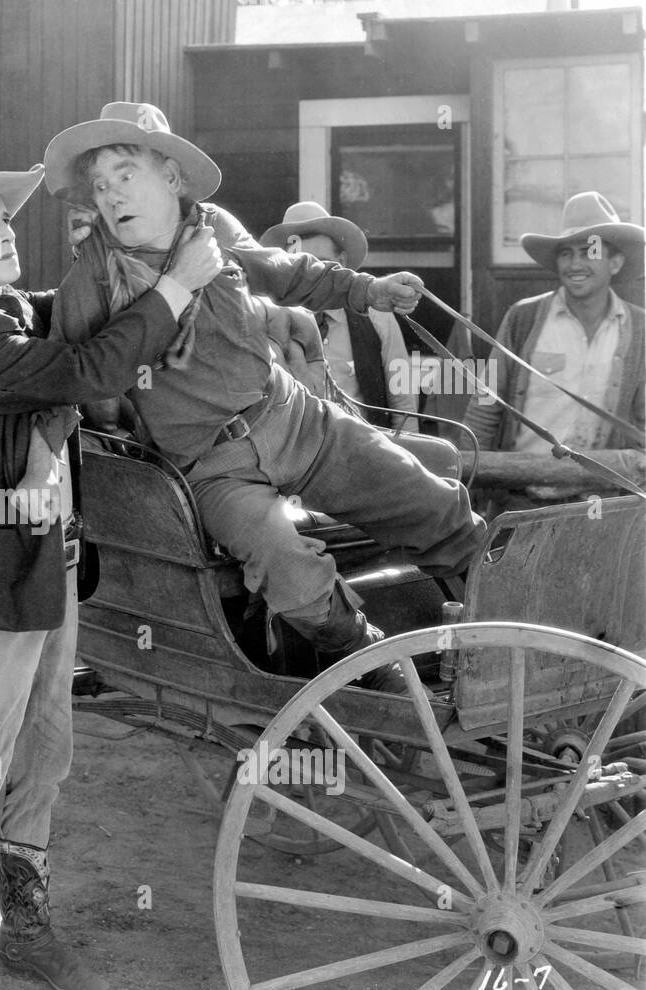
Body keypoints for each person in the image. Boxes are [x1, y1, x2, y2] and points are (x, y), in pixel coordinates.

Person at [0, 139, 222, 990]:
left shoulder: (16, 314)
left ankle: (25, 924)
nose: (4, 233)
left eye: (4, 218)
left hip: (51, 562)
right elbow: (92, 366)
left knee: (49, 753)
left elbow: (82, 328)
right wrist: (178, 286)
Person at [44, 103, 486, 687]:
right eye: (99, 186)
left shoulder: (215, 241)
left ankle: (505, 626)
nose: (110, 196)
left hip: (295, 420)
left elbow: (290, 271)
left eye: (126, 176)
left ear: (171, 179)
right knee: (288, 567)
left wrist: (369, 289)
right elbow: (73, 378)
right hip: (209, 468)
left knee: (424, 496)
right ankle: (368, 659)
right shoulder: (90, 283)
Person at [463, 192, 644, 460]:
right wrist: (470, 473)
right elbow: (486, 403)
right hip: (523, 490)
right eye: (566, 254)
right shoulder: (523, 318)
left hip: (601, 493)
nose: (575, 265)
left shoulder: (640, 329)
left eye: (589, 252)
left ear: (614, 263)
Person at [261, 202, 419, 430]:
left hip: (365, 451)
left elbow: (403, 399)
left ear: (342, 262)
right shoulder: (266, 319)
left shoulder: (377, 316)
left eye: (322, 264)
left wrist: (408, 453)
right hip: (291, 456)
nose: (312, 276)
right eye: (299, 266)